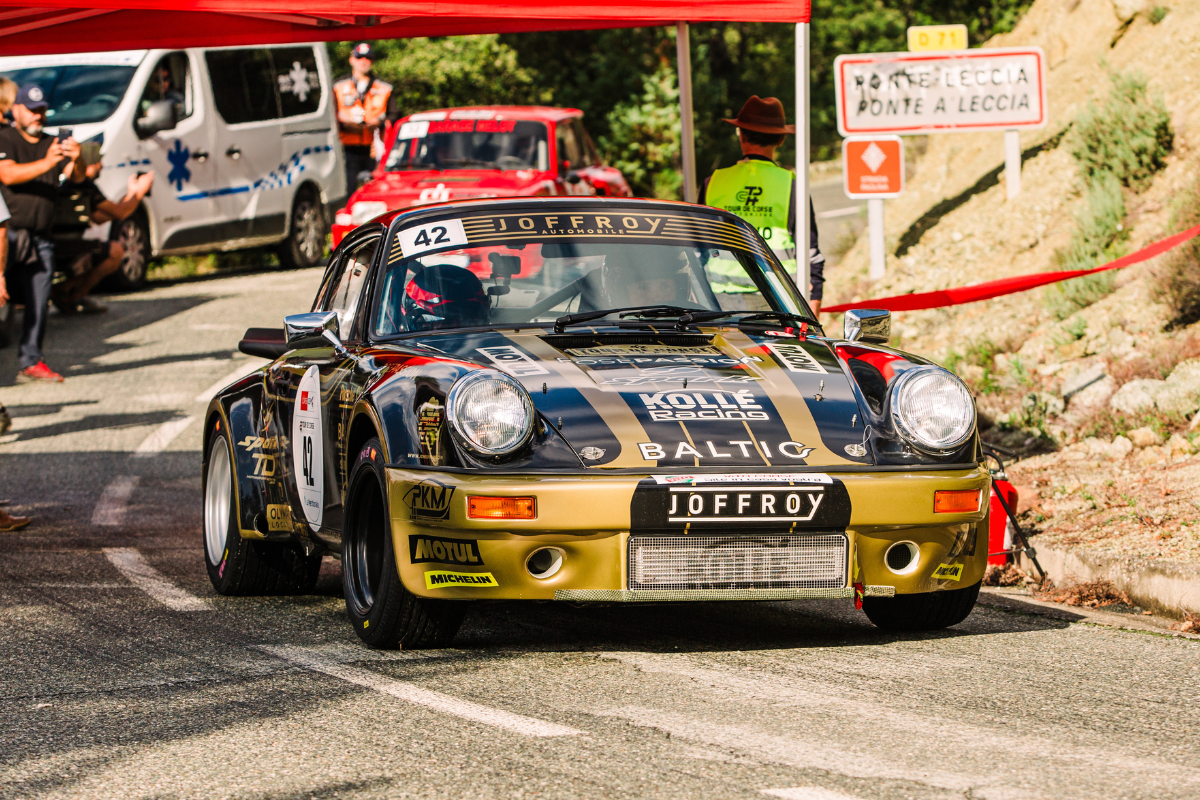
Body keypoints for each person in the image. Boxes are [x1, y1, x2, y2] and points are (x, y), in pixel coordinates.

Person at [699, 95, 827, 315]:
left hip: (719, 301)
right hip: (780, 301)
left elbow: (696, 248)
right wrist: (812, 310)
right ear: (780, 140)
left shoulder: (713, 183)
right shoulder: (792, 185)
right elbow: (811, 254)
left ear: (741, 136)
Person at [0, 84, 85, 382]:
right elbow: (7, 174)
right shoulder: (5, 138)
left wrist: (77, 157)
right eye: (32, 110)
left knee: (39, 302)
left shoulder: (52, 142)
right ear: (16, 110)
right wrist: (49, 162)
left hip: (41, 236)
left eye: (41, 111)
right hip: (8, 235)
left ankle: (31, 360)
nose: (38, 116)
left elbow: (77, 176)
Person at [53, 163, 154, 314]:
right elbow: (120, 213)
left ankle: (64, 291)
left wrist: (130, 195)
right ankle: (72, 294)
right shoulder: (86, 186)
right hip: (67, 248)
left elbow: (103, 217)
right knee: (115, 250)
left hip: (53, 245)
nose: (101, 166)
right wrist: (139, 192)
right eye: (98, 160)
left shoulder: (66, 185)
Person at [333, 42, 398, 194]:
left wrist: (379, 123)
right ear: (351, 60)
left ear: (372, 61)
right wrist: (344, 125)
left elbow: (395, 114)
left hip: (375, 148)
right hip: (347, 147)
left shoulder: (384, 87)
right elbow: (331, 115)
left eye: (367, 58)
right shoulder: (338, 86)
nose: (363, 61)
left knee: (375, 188)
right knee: (348, 189)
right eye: (359, 57)